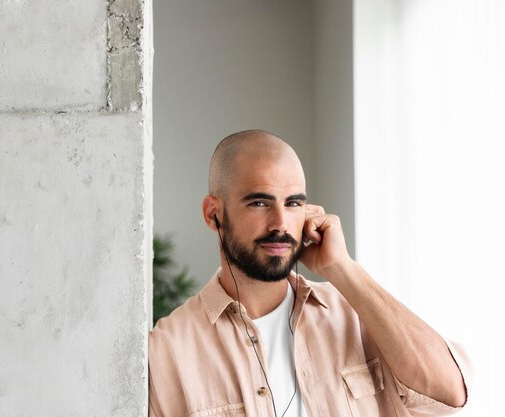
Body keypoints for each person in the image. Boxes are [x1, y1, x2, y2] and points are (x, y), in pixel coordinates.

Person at [148, 130, 470, 417]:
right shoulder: (167, 352)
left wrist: (342, 268)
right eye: (260, 203)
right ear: (213, 214)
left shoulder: (355, 316)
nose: (280, 224)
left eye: (292, 204)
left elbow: (450, 395)